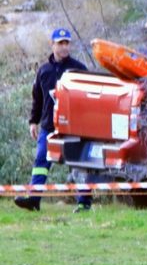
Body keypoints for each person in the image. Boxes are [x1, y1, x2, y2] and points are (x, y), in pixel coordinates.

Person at [14, 28, 92, 212]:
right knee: (41, 162)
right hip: (49, 127)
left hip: (74, 127)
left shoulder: (79, 69)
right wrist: (33, 121)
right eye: (60, 43)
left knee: (79, 163)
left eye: (67, 43)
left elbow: (88, 98)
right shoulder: (44, 70)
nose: (64, 47)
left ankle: (84, 203)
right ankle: (34, 200)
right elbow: (37, 98)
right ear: (52, 45)